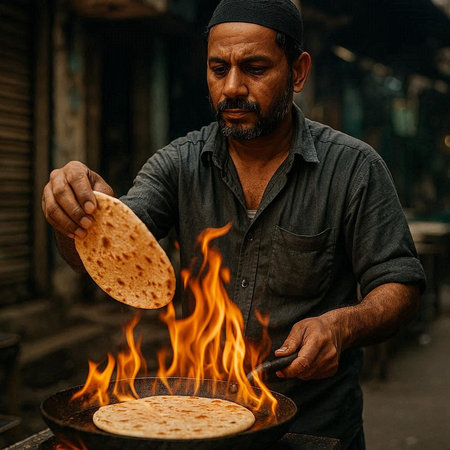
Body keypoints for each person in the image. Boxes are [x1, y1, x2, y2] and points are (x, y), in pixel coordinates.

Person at [42, 0, 426, 448]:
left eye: (255, 68)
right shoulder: (178, 164)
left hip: (314, 428)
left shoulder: (353, 169)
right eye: (218, 68)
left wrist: (342, 325)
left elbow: (401, 286)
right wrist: (75, 221)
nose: (232, 87)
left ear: (298, 72)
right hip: (202, 427)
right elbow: (105, 259)